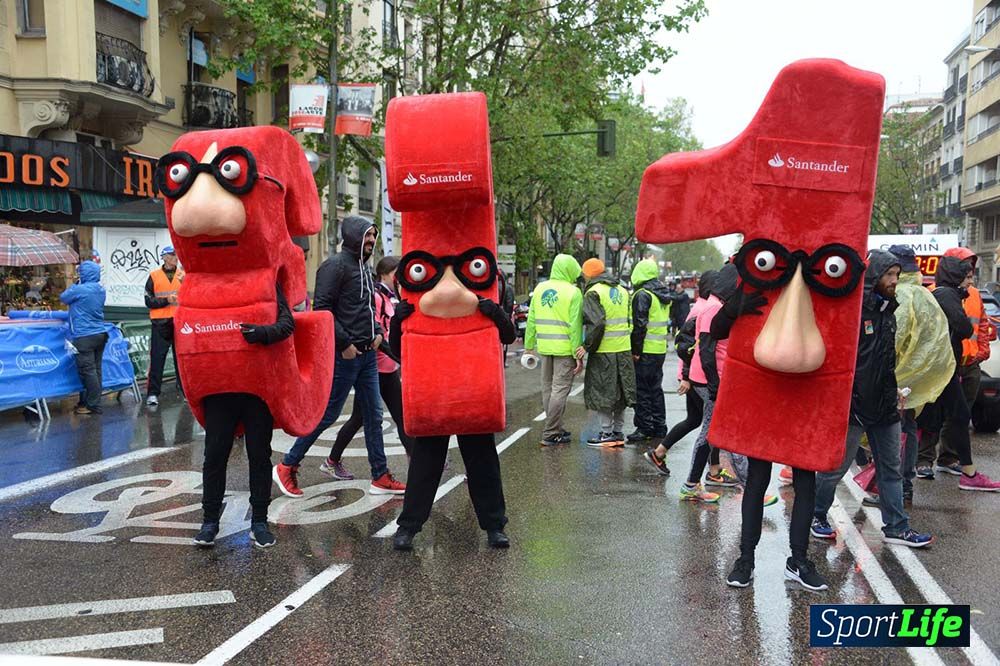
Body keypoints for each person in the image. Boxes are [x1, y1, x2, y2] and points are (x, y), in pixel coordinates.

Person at [273, 216, 406, 497]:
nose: (371, 241)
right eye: (367, 236)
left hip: (368, 354)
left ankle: (380, 475)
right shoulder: (334, 266)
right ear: (354, 236)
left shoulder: (364, 268)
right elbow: (323, 309)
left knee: (374, 415)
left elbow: (369, 308)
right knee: (329, 412)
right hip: (345, 355)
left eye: (373, 236)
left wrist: (378, 333)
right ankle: (287, 465)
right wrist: (344, 343)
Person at [810, 251, 934, 550]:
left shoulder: (887, 311)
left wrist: (893, 394)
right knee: (835, 469)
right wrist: (843, 400)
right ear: (874, 276)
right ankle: (815, 516)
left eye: (896, 275)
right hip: (853, 407)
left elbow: (886, 361)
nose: (894, 281)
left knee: (891, 467)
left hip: (884, 406)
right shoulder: (853, 313)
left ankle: (897, 527)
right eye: (889, 275)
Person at [390, 293, 516, 550]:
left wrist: (496, 313)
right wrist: (397, 322)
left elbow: (509, 336)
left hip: (472, 394)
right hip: (434, 395)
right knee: (424, 467)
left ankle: (494, 526)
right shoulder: (419, 303)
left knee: (483, 465)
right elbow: (399, 351)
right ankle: (408, 527)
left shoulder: (481, 301)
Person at [195, 284, 294, 548]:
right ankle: (209, 521)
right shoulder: (205, 284)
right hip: (219, 387)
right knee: (214, 455)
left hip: (256, 388)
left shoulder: (264, 281)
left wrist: (263, 332)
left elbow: (287, 323)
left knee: (259, 455)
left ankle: (259, 521)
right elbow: (187, 324)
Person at [324, 256, 414, 479]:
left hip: (385, 367)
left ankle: (332, 460)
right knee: (383, 416)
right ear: (385, 274)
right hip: (377, 367)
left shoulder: (390, 296)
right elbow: (377, 334)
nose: (400, 279)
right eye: (397, 274)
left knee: (369, 417)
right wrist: (398, 356)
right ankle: (416, 458)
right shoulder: (376, 295)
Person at [917, 255, 1000, 491]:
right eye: (967, 276)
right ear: (956, 277)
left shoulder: (942, 293)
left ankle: (964, 471)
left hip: (943, 367)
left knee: (936, 418)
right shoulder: (947, 294)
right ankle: (968, 474)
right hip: (941, 368)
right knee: (956, 416)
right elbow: (963, 327)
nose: (970, 282)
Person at [886, 245, 953, 505]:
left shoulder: (901, 296)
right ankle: (903, 485)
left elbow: (895, 338)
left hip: (898, 375)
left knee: (896, 431)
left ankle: (898, 486)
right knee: (908, 427)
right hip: (917, 377)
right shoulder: (925, 295)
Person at [643, 271, 715, 474]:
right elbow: (687, 345)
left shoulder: (702, 307)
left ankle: (658, 453)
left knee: (695, 420)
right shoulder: (704, 310)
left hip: (691, 374)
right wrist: (686, 377)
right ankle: (714, 471)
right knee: (711, 424)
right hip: (693, 375)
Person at [523, 254, 584, 447]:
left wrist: (529, 346)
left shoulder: (540, 288)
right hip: (565, 349)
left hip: (544, 347)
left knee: (548, 388)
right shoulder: (574, 293)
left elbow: (531, 319)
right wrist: (577, 354)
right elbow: (575, 326)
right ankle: (550, 433)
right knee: (559, 390)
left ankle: (555, 427)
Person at [580, 258, 636, 447]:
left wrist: (587, 346)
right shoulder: (622, 290)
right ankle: (618, 432)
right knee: (620, 394)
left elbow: (597, 323)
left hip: (604, 351)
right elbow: (630, 321)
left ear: (589, 274)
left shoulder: (593, 292)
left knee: (603, 394)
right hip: (624, 350)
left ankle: (606, 434)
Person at [627, 259, 673, 444]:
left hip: (645, 350)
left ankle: (645, 428)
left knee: (643, 391)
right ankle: (659, 427)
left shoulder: (643, 294)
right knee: (655, 389)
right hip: (659, 349)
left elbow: (640, 325)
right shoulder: (662, 294)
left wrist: (635, 350)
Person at [60, 260, 107, 415]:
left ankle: (93, 405)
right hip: (99, 333)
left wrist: (75, 283)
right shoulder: (100, 289)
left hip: (84, 335)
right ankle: (89, 401)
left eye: (80, 273)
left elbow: (64, 297)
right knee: (96, 370)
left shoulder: (80, 289)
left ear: (84, 274)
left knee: (87, 371)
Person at [143, 246, 184, 406]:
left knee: (180, 359)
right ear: (164, 257)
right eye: (173, 255)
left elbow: (190, 296)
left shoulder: (183, 275)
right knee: (157, 359)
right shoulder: (153, 276)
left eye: (177, 255)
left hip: (179, 321)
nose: (176, 258)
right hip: (160, 322)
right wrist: (166, 301)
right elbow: (148, 301)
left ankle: (184, 390)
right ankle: (153, 394)